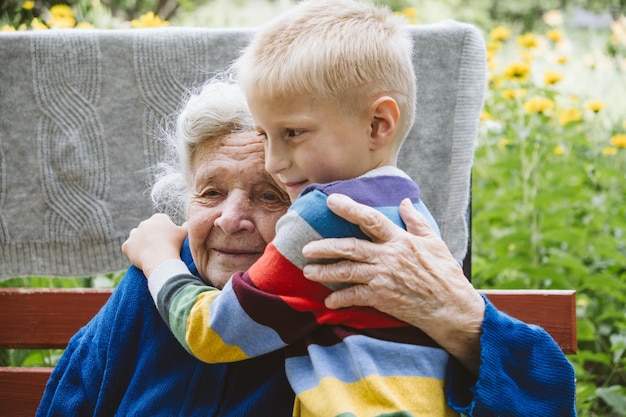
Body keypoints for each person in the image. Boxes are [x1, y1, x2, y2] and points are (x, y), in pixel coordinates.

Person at [37, 38, 575, 417]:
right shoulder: (150, 287)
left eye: (272, 195)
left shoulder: (371, 280)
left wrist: (461, 319)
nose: (230, 218)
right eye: (210, 192)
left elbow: (545, 399)